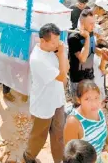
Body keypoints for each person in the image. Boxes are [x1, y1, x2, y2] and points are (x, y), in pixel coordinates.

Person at [23, 23, 69, 163]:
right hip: (43, 104)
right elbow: (62, 77)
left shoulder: (52, 51)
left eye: (58, 41)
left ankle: (59, 160)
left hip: (57, 100)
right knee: (39, 136)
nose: (57, 44)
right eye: (53, 42)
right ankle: (28, 158)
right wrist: (61, 54)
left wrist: (61, 54)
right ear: (42, 40)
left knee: (59, 135)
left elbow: (65, 68)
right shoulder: (38, 59)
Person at [67, 10, 108, 98]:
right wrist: (87, 38)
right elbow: (83, 58)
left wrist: (101, 52)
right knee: (80, 105)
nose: (93, 26)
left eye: (94, 23)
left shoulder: (91, 31)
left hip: (90, 75)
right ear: (82, 23)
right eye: (90, 23)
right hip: (78, 80)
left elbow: (91, 48)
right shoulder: (74, 38)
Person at [64, 80, 108, 162]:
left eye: (96, 98)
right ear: (78, 100)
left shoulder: (99, 111)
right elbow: (70, 156)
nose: (94, 103)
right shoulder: (73, 123)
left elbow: (105, 127)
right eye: (87, 99)